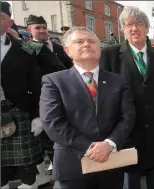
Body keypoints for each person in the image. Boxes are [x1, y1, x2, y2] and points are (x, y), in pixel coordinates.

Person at [39, 27, 134, 189]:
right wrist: (88, 148)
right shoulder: (54, 81)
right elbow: (52, 122)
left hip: (110, 163)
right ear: (68, 50)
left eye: (91, 42)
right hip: (72, 165)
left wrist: (109, 143)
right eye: (79, 42)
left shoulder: (118, 81)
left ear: (100, 49)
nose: (86, 45)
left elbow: (128, 116)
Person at [99, 6, 154, 189]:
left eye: (139, 23)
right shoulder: (110, 55)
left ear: (146, 28)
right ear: (122, 29)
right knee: (130, 179)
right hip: (127, 131)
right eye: (129, 24)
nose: (134, 28)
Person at [24, 14, 73, 184]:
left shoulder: (59, 48)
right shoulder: (28, 49)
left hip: (67, 97)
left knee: (65, 134)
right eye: (38, 28)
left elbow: (70, 68)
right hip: (44, 99)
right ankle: (55, 177)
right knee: (49, 140)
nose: (42, 30)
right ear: (29, 30)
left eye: (44, 27)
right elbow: (29, 78)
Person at [1, 3, 44, 188]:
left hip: (19, 111)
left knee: (27, 171)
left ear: (10, 22)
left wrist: (38, 115)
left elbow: (36, 82)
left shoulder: (25, 48)